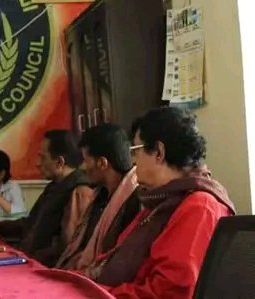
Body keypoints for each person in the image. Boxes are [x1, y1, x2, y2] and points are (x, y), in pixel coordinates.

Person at [90, 107, 235, 298]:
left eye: (136, 151)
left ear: (159, 152)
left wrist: (97, 295)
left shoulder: (199, 206)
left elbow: (168, 293)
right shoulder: (161, 201)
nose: (133, 161)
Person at [0, 131, 93, 266]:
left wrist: (25, 259)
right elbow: (30, 224)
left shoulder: (80, 192)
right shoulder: (54, 187)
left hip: (42, 268)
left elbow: (68, 250)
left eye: (42, 157)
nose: (37, 163)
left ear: (59, 162)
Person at [56, 123, 141, 272]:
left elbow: (120, 262)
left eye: (85, 160)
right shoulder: (99, 196)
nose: (82, 167)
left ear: (102, 163)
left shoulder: (136, 201)